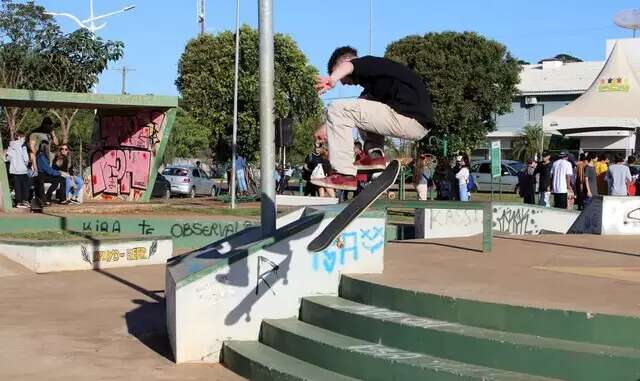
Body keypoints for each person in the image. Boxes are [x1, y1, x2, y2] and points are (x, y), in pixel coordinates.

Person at [312, 46, 433, 190]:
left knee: (336, 107)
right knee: (360, 105)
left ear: (345, 61)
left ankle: (344, 173)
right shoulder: (376, 83)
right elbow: (354, 112)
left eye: (338, 74)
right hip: (417, 124)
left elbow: (349, 66)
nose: (343, 83)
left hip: (408, 117)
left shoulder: (366, 63)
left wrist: (332, 79)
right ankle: (375, 156)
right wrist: (325, 127)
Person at [35, 141, 68, 205]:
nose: (64, 150)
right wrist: (59, 173)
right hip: (43, 174)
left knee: (61, 179)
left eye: (66, 149)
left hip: (50, 174)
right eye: (62, 149)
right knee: (60, 178)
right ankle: (60, 198)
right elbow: (50, 169)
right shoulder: (42, 156)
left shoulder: (45, 156)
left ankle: (60, 198)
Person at [6, 132, 30, 208]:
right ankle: (25, 201)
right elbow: (26, 158)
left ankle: (19, 202)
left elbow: (8, 158)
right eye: (23, 138)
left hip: (15, 171)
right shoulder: (23, 146)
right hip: (23, 170)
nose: (24, 139)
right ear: (19, 137)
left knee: (17, 187)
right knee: (25, 186)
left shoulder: (11, 146)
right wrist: (26, 163)